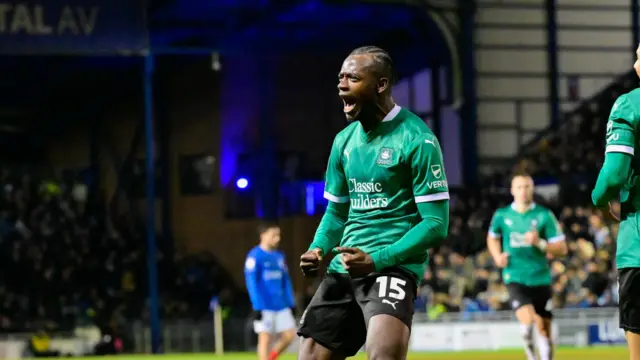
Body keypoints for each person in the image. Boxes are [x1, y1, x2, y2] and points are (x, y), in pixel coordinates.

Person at [297, 46, 449, 360]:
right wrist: (318, 248)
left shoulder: (417, 139)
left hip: (392, 267)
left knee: (384, 354)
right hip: (344, 269)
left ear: (380, 85)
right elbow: (337, 212)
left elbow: (435, 224)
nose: (341, 85)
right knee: (310, 356)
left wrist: (377, 259)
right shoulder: (344, 141)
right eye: (340, 77)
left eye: (352, 78)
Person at [591, 44, 640, 360]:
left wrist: (601, 200)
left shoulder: (629, 105)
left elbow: (613, 175)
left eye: (639, 57)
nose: (635, 63)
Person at [487, 173, 567, 360]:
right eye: (520, 187)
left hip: (540, 276)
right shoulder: (502, 215)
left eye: (527, 187)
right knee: (528, 319)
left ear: (532, 189)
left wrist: (540, 243)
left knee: (543, 327)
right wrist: (497, 256)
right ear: (512, 191)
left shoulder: (544, 215)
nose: (523, 191)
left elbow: (562, 248)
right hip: (514, 275)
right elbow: (492, 238)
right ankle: (532, 356)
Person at [245, 222, 296, 360]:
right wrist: (256, 305)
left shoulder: (279, 256)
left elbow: (286, 281)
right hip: (264, 305)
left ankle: (271, 357)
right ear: (263, 235)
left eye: (278, 235)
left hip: (281, 304)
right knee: (265, 338)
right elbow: (251, 283)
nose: (277, 238)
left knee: (290, 335)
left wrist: (291, 302)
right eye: (274, 235)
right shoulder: (254, 256)